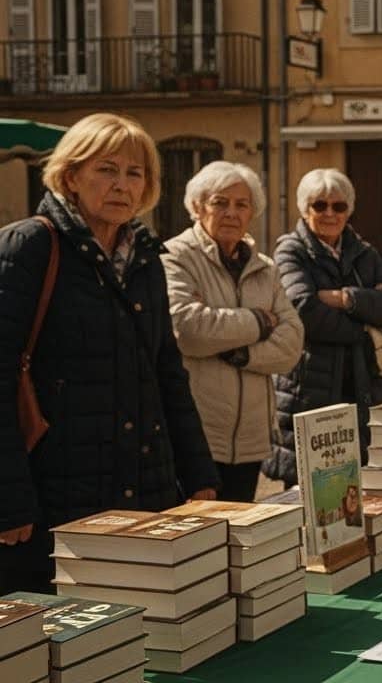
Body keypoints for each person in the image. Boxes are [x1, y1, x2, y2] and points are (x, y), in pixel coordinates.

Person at [0, 112, 219, 593]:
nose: (122, 184)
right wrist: (9, 500)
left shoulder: (146, 257)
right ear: (71, 175)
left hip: (147, 490)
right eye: (107, 169)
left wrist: (199, 475)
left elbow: (167, 373)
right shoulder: (30, 246)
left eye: (135, 173)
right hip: (56, 499)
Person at [162, 161, 304, 502]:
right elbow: (188, 329)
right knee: (196, 541)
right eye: (220, 202)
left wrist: (242, 353)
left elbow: (292, 343)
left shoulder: (265, 267)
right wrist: (259, 321)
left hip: (251, 441)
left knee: (240, 540)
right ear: (197, 207)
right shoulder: (175, 256)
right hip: (197, 436)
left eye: (242, 204)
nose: (231, 213)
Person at [267, 168, 382, 487]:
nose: (330, 213)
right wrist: (365, 325)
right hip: (310, 390)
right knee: (310, 490)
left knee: (360, 487)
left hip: (361, 387)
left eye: (339, 206)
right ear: (305, 209)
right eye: (320, 205)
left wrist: (346, 299)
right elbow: (304, 310)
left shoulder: (363, 251)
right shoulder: (291, 250)